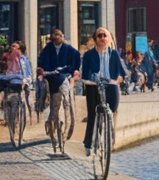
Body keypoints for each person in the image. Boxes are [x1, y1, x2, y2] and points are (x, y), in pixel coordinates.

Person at [79, 27, 125, 156]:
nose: (102, 38)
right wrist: (88, 80)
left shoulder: (114, 54)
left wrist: (120, 78)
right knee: (93, 115)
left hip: (110, 85)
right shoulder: (88, 55)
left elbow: (122, 72)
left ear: (108, 38)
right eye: (99, 36)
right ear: (95, 39)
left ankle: (109, 136)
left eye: (105, 36)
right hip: (93, 86)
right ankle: (88, 143)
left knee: (112, 109)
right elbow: (85, 74)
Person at [36, 28, 81, 134]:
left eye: (60, 35)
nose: (57, 37)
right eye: (55, 35)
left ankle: (68, 123)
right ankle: (43, 109)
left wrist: (75, 70)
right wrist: (41, 72)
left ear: (63, 37)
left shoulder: (69, 49)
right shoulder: (47, 49)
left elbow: (76, 58)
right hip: (50, 76)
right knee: (45, 94)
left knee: (67, 100)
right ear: (52, 37)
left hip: (64, 75)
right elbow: (41, 63)